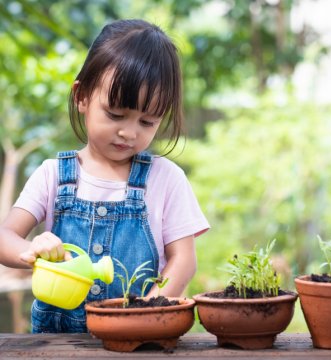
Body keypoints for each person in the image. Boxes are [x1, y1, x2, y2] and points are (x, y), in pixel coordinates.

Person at [0, 19, 209, 333]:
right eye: (115, 114)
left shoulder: (166, 179)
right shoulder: (53, 175)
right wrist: (32, 252)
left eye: (147, 121)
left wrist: (148, 311)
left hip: (140, 338)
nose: (129, 132)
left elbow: (183, 260)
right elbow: (5, 239)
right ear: (81, 96)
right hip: (58, 346)